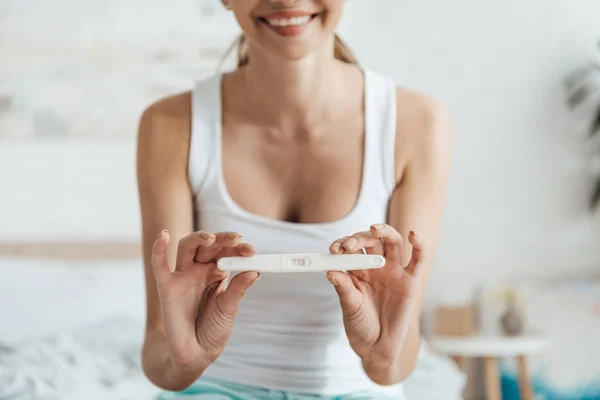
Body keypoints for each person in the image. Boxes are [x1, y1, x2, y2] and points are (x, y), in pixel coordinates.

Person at [136, 0, 452, 399]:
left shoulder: (417, 122)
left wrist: (383, 354)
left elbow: (394, 366)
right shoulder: (169, 125)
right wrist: (185, 360)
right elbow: (159, 351)